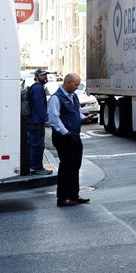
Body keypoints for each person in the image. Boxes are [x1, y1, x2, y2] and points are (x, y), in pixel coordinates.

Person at [48, 73, 89, 207]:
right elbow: (54, 118)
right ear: (68, 83)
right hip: (64, 137)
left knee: (75, 165)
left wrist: (83, 118)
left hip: (75, 135)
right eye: (76, 84)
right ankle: (62, 198)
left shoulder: (74, 96)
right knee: (66, 166)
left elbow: (76, 112)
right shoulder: (56, 98)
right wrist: (65, 132)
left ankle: (73, 195)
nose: (77, 87)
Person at [26, 69, 53, 175]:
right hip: (36, 121)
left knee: (34, 144)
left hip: (34, 121)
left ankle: (33, 166)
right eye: (43, 75)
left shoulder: (35, 87)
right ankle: (37, 167)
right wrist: (45, 119)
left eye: (46, 75)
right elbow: (39, 105)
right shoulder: (37, 88)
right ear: (37, 77)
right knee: (37, 145)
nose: (45, 77)